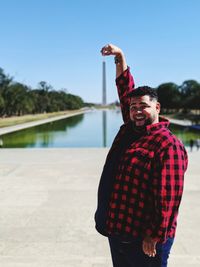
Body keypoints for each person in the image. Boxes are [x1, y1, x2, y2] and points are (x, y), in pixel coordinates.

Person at [94, 44, 188, 267]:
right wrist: (120, 58)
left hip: (144, 239)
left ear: (157, 107)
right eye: (133, 106)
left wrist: (154, 235)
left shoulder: (167, 145)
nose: (136, 110)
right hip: (118, 230)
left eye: (143, 106)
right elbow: (126, 90)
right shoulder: (130, 130)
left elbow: (168, 197)